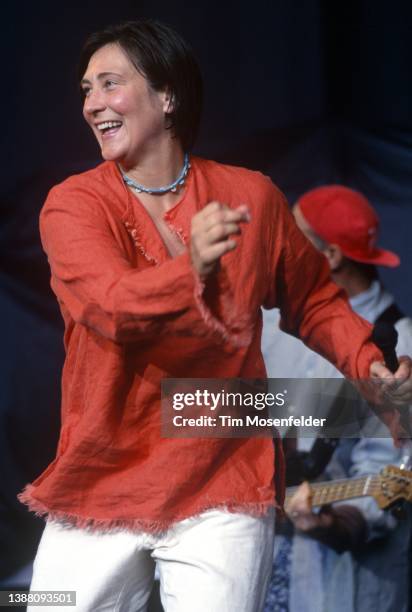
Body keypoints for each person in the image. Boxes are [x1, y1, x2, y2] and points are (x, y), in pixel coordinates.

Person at [20, 21, 412, 612]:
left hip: (221, 480)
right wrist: (191, 268)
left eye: (108, 83)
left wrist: (368, 366)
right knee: (41, 604)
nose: (91, 103)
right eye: (85, 89)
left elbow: (314, 299)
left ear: (168, 95)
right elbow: (108, 307)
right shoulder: (72, 203)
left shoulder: (251, 197)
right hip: (99, 476)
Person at [262, 185, 412, 612]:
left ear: (329, 257)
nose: (279, 246)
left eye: (294, 235)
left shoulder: (401, 347)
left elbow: (386, 483)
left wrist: (330, 522)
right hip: (259, 555)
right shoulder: (271, 324)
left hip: (341, 579)